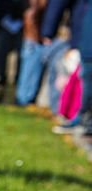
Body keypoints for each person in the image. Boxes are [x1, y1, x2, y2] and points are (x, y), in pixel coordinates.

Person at [42, 0, 92, 151]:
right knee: (85, 80)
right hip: (86, 41)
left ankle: (83, 120)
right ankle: (83, 120)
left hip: (85, 41)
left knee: (86, 80)